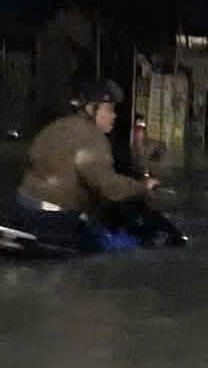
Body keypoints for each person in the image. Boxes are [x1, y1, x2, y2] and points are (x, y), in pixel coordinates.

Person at [16, 79, 159, 249]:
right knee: (125, 245)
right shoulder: (92, 137)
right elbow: (109, 187)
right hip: (55, 219)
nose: (114, 116)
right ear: (92, 109)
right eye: (110, 110)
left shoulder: (56, 126)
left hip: (23, 209)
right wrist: (143, 187)